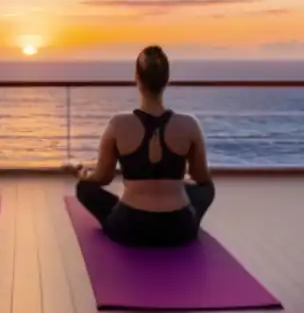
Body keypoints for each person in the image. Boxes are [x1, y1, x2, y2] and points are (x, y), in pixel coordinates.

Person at [72, 45, 215, 248]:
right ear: (166, 80)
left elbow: (102, 177)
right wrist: (177, 182)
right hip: (180, 228)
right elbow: (202, 178)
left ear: (137, 79)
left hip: (130, 226)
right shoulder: (189, 125)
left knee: (84, 188)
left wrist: (83, 173)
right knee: (207, 189)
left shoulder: (118, 124)